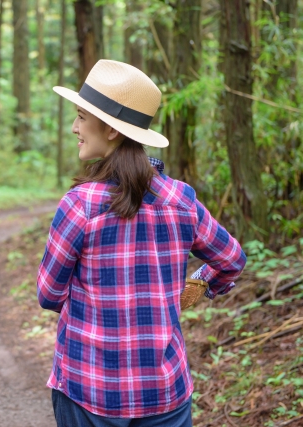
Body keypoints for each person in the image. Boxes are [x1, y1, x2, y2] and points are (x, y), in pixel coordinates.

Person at [37, 60, 246, 427]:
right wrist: (196, 287)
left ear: (112, 130)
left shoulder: (80, 205)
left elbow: (49, 294)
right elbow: (231, 259)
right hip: (165, 391)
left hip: (89, 388)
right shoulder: (181, 199)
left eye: (82, 118)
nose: (75, 128)